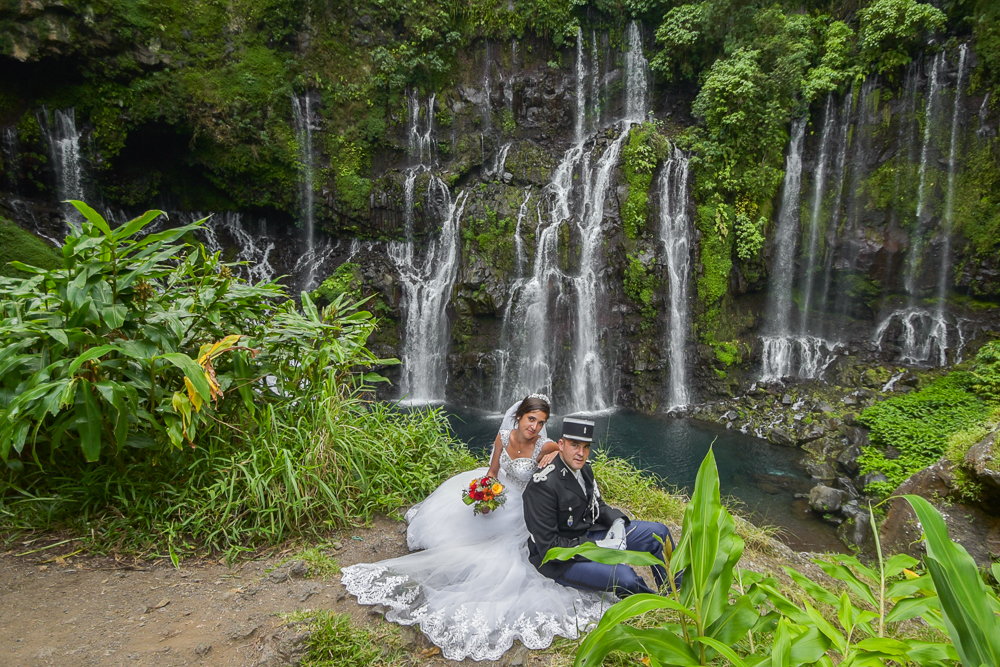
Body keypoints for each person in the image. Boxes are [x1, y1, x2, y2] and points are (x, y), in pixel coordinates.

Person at [341, 396, 615, 662]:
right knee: (459, 528)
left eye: (541, 422)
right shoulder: (503, 438)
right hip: (501, 496)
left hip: (525, 504)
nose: (535, 427)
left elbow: (563, 454)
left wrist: (553, 453)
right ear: (519, 416)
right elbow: (493, 472)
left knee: (498, 553)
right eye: (531, 419)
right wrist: (486, 494)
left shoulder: (546, 445)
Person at [522, 417, 675, 597]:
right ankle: (656, 606)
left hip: (588, 534)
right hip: (563, 560)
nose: (581, 453)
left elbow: (596, 505)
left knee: (659, 533)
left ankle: (676, 594)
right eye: (575, 445)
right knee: (626, 578)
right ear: (561, 445)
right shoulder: (543, 485)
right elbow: (550, 548)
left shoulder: (584, 469)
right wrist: (599, 546)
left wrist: (617, 521)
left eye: (586, 447)